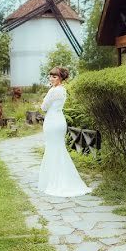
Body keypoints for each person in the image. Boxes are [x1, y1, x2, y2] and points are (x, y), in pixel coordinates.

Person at [37, 66, 91, 197]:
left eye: (54, 77)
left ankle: (55, 181)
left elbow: (44, 107)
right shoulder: (63, 90)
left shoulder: (53, 91)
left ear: (60, 78)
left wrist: (44, 102)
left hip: (52, 122)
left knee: (53, 149)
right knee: (59, 149)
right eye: (50, 76)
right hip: (59, 120)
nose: (51, 78)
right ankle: (60, 179)